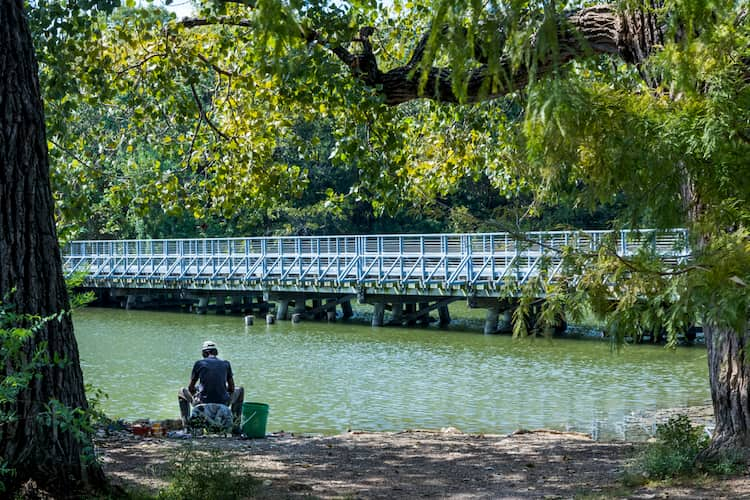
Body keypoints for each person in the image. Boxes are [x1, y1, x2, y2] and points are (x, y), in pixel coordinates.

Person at [178, 340, 244, 430]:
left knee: (181, 391)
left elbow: (190, 387)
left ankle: (186, 426)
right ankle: (236, 426)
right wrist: (223, 391)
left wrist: (195, 394)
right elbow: (232, 388)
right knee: (240, 390)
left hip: (202, 402)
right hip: (223, 402)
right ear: (216, 352)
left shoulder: (199, 363)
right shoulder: (226, 363)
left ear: (204, 353)